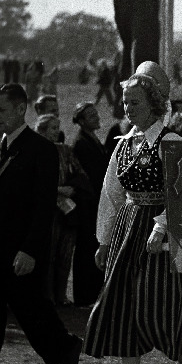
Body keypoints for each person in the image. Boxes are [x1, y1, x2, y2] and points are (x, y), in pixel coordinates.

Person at [83, 63, 182, 364]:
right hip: (128, 227)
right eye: (125, 102)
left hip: (161, 232)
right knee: (121, 303)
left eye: (134, 102)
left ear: (153, 103)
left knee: (161, 303)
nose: (128, 108)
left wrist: (161, 226)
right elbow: (112, 193)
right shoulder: (125, 143)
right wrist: (104, 240)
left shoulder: (171, 141)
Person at [0, 83, 82, 364]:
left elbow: (43, 206)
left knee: (31, 308)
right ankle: (63, 347)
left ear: (21, 109)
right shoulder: (1, 146)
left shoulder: (42, 150)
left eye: (2, 110)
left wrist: (30, 250)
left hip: (23, 247)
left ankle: (65, 347)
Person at [35, 114, 92, 306]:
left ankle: (61, 295)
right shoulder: (35, 152)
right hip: (46, 210)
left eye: (57, 127)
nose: (56, 131)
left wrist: (71, 188)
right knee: (48, 254)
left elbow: (81, 175)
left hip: (67, 211)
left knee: (65, 252)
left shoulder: (66, 151)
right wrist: (55, 190)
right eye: (52, 128)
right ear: (41, 131)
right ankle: (47, 294)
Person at [71, 101, 109, 307]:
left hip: (96, 203)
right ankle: (84, 296)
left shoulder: (92, 139)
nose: (97, 118)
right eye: (91, 116)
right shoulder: (81, 143)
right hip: (89, 205)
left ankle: (92, 292)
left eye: (96, 114)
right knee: (86, 248)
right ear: (82, 122)